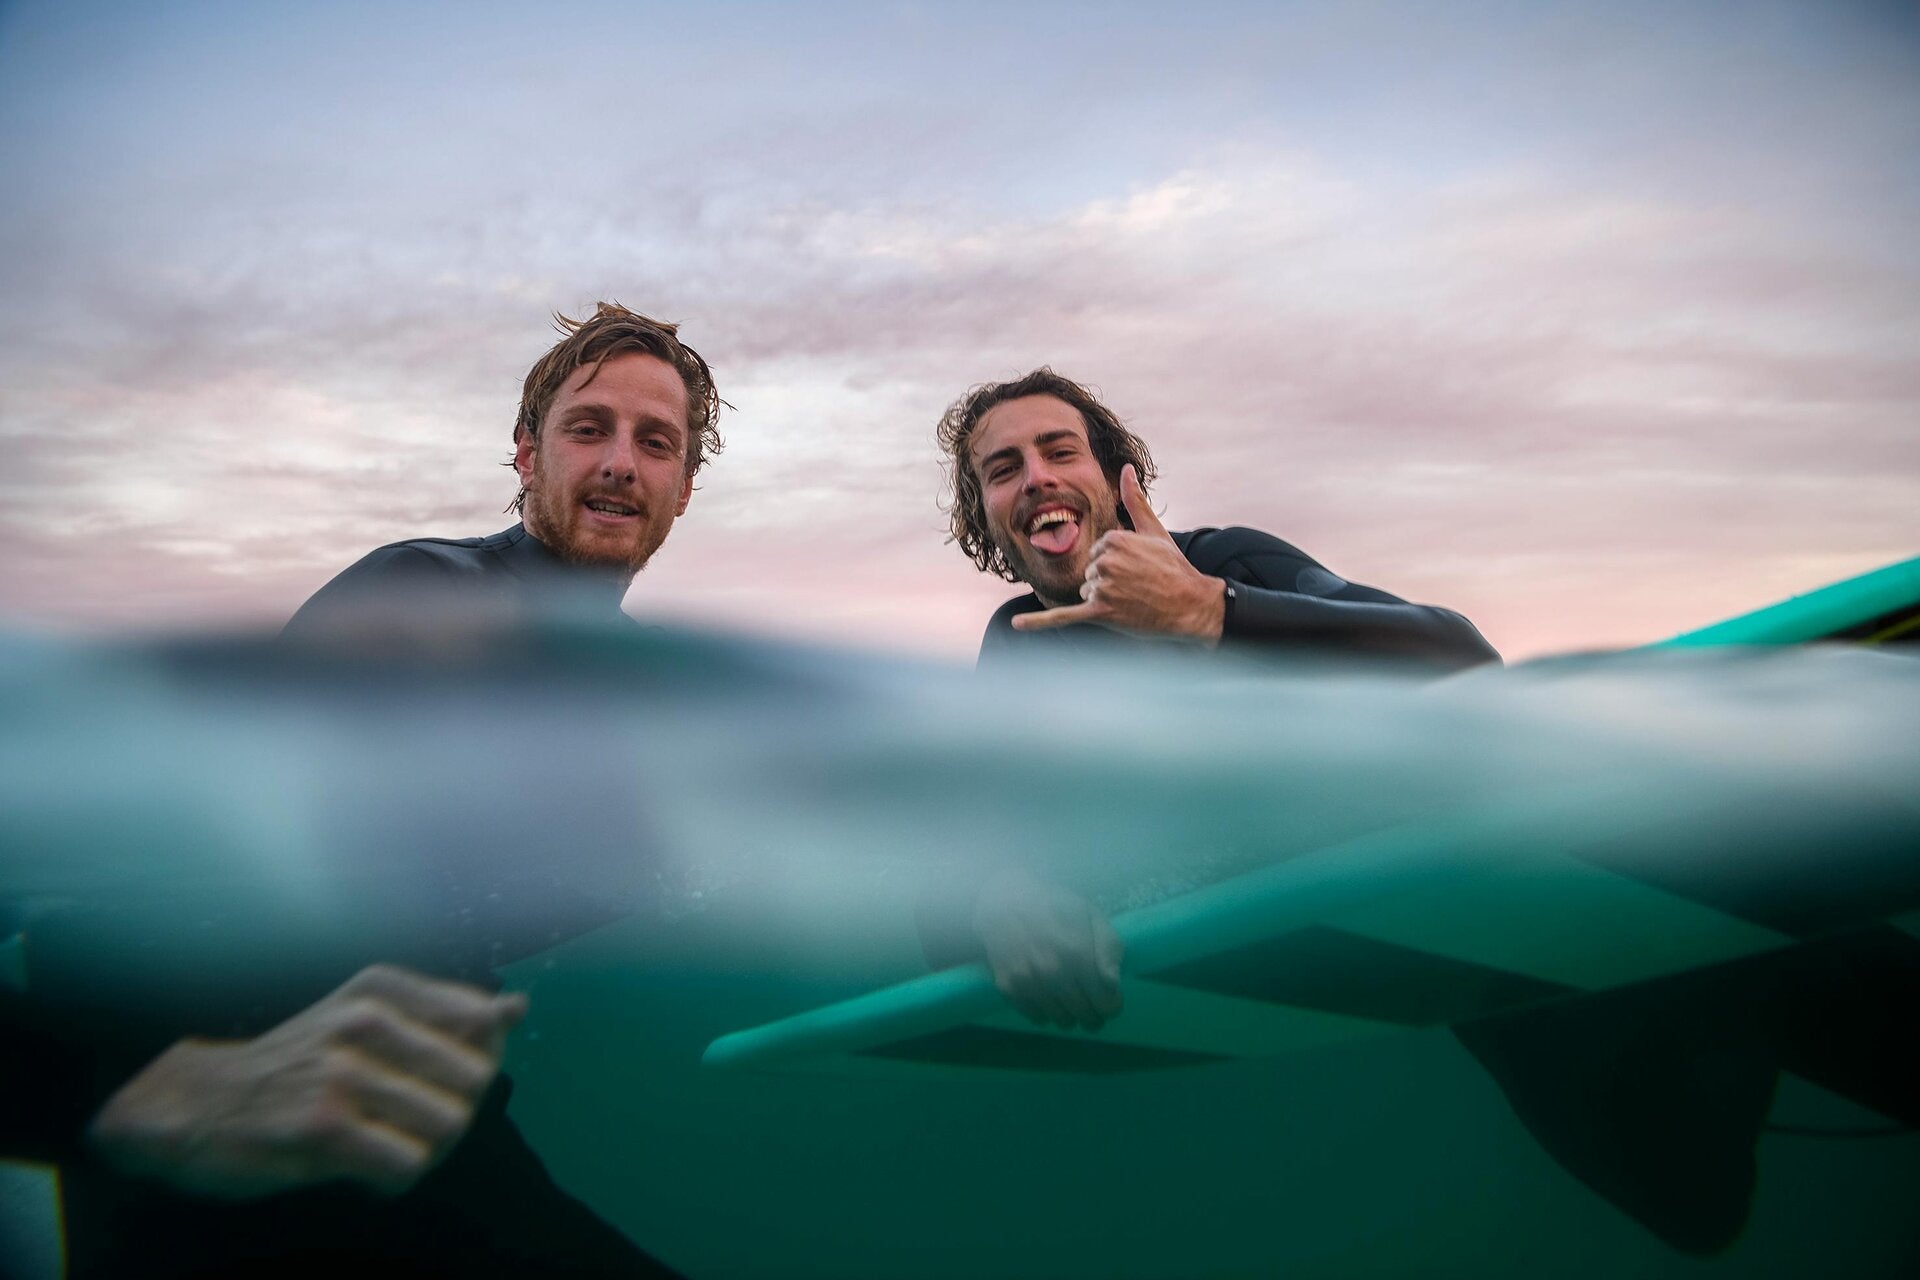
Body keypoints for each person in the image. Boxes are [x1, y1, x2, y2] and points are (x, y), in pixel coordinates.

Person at [16, 302, 720, 1277]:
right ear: (528, 455)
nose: (619, 463)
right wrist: (117, 1081)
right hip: (221, 1091)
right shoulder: (427, 595)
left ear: (684, 488)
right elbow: (204, 837)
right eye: (587, 429)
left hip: (398, 1093)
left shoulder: (644, 684)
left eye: (655, 442)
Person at [921, 366, 1499, 1030]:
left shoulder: (1228, 564)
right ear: (985, 517)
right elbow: (947, 860)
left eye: (1060, 452)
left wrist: (1213, 613)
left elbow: (1467, 660)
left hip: (1432, 915)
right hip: (1275, 991)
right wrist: (996, 902)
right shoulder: (1020, 647)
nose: (1036, 478)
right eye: (1003, 470)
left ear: (1113, 477)